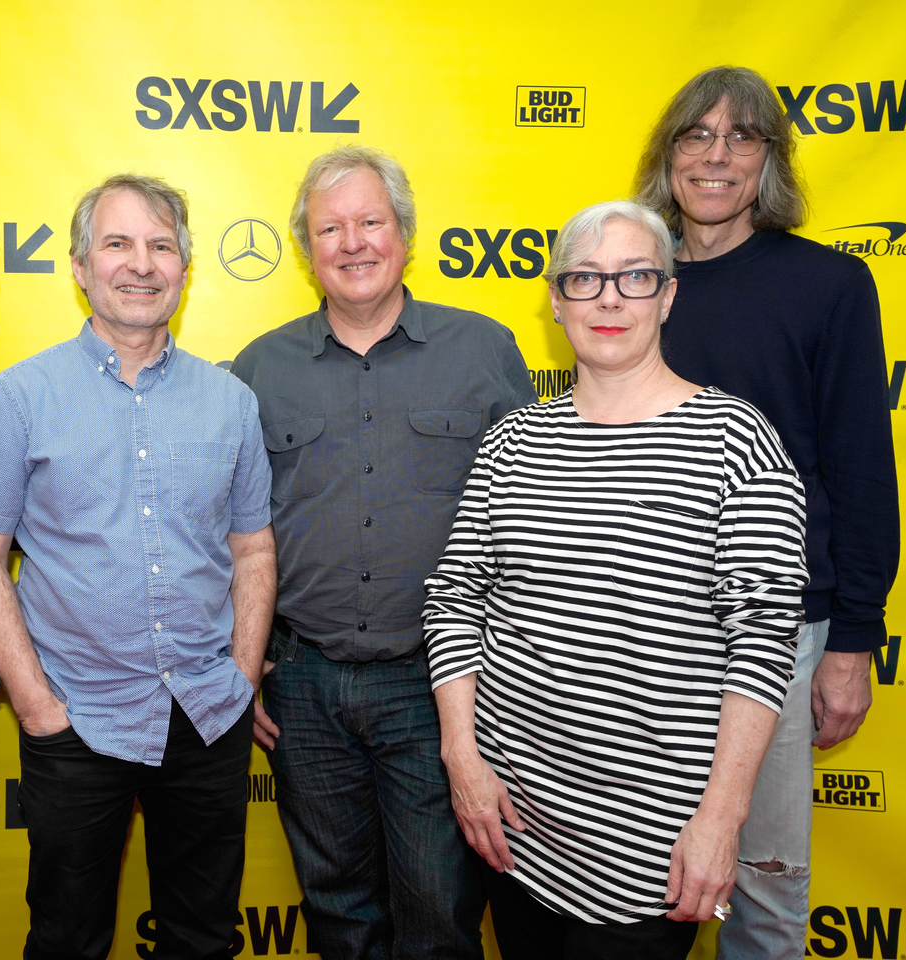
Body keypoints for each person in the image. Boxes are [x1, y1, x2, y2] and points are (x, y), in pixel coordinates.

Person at [424, 199, 808, 960]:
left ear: (667, 296)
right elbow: (455, 599)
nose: (608, 298)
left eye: (634, 277)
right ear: (555, 301)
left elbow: (763, 642)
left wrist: (720, 821)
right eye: (585, 279)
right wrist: (462, 760)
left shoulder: (735, 439)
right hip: (514, 832)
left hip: (655, 852)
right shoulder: (513, 442)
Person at [0, 173, 276, 960]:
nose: (141, 263)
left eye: (161, 245)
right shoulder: (19, 397)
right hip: (76, 719)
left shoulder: (231, 401)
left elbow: (253, 549)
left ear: (186, 268)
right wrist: (34, 705)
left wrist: (240, 677)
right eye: (118, 244)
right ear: (79, 266)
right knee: (66, 939)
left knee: (203, 938)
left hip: (208, 713)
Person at [231, 145, 537, 959]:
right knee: (339, 915)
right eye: (330, 228)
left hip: (439, 682)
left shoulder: (483, 350)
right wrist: (248, 659)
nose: (353, 242)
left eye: (371, 222)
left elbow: (534, 518)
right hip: (303, 684)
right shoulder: (259, 369)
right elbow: (235, 531)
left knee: (440, 917)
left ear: (404, 234)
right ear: (306, 249)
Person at [634, 65, 899, 959]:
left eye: (741, 137)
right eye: (695, 136)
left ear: (769, 159)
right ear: (667, 156)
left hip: (784, 629)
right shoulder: (632, 281)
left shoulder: (828, 285)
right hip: (646, 626)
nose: (716, 156)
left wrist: (854, 642)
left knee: (769, 887)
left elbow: (862, 468)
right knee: (639, 878)